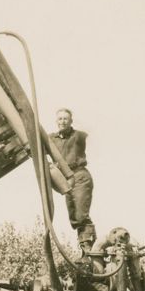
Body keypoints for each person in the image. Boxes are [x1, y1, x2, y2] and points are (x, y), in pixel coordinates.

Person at [50, 108, 96, 254]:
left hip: (79, 175)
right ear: (56, 121)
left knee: (81, 214)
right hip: (65, 179)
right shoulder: (51, 139)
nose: (62, 121)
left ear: (71, 121)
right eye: (60, 119)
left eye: (65, 119)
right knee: (74, 216)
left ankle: (89, 247)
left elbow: (88, 134)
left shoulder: (79, 136)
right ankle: (85, 247)